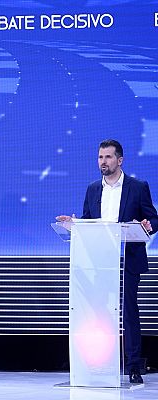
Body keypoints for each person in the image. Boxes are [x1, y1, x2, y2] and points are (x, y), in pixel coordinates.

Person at [56, 139, 158, 384]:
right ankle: (98, 363)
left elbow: (154, 220)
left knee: (129, 311)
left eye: (108, 157)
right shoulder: (92, 189)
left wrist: (147, 226)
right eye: (100, 157)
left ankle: (133, 366)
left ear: (120, 160)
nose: (103, 161)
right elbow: (90, 222)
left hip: (128, 260)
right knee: (98, 313)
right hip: (99, 261)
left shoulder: (137, 187)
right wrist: (75, 224)